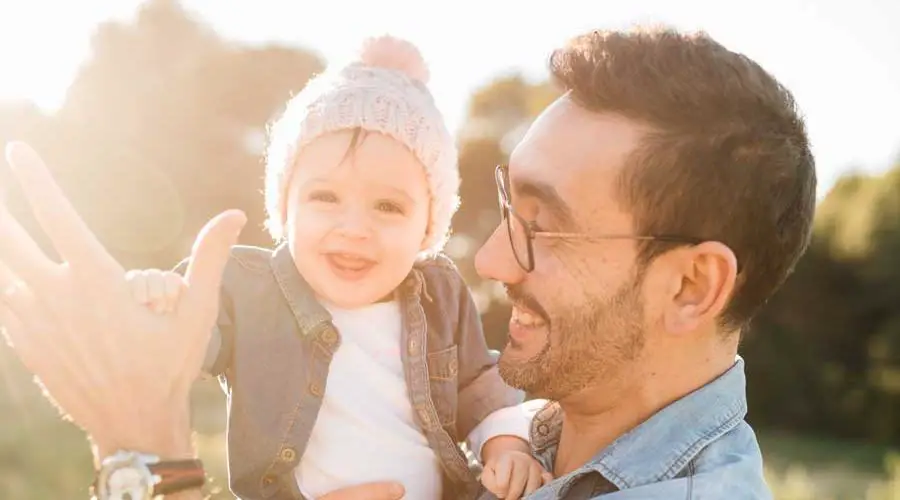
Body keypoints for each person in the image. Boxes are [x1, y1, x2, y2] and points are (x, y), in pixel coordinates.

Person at [0, 25, 816, 500]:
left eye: (544, 226)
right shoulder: (550, 422)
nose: (490, 260)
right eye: (505, 208)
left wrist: (143, 453)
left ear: (690, 285)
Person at [118, 34, 548, 500]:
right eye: (325, 197)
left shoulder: (438, 293)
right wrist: (158, 302)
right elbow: (184, 344)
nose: (354, 228)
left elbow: (478, 386)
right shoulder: (247, 288)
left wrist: (506, 448)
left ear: (427, 229)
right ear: (286, 207)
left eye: (387, 206)